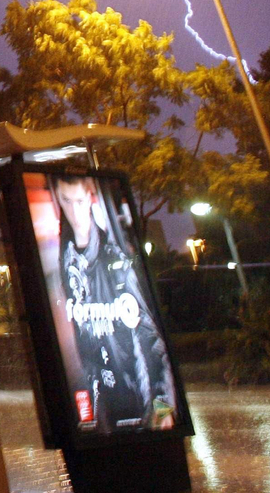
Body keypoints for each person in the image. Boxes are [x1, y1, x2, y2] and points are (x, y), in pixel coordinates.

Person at [51, 174, 176, 434]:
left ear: (90, 199)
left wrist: (162, 408)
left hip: (137, 403)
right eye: (66, 200)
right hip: (102, 406)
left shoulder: (115, 261)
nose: (74, 210)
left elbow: (151, 341)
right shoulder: (67, 260)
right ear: (57, 200)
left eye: (79, 200)